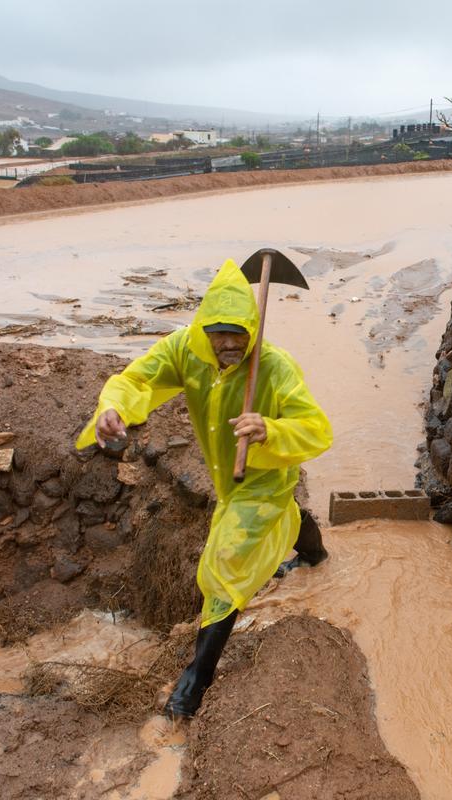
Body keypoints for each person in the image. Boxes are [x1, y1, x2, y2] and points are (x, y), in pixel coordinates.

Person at [75, 259, 333, 719]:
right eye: (219, 333)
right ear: (202, 330)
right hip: (226, 478)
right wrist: (114, 407)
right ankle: (315, 554)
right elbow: (138, 378)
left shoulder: (274, 366)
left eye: (238, 332)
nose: (229, 343)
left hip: (265, 481)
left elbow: (315, 429)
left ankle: (194, 682)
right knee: (285, 520)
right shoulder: (185, 351)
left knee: (224, 566)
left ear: (252, 327)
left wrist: (270, 429)